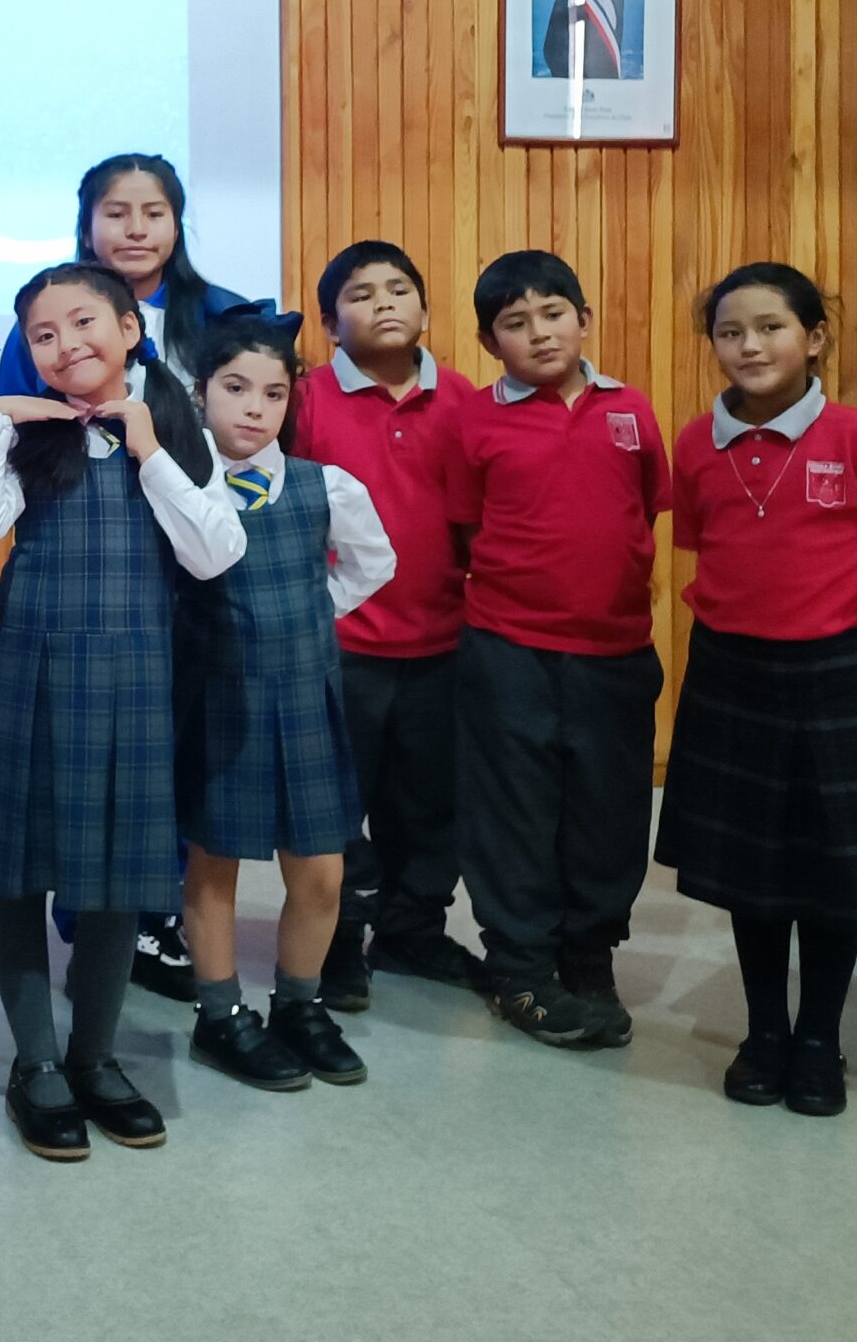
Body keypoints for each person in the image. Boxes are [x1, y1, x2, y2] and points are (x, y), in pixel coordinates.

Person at [0, 263, 245, 1161]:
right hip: (30, 666)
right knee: (20, 866)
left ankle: (95, 1057)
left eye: (84, 323)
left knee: (118, 871)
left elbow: (214, 552)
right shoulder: (27, 430)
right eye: (43, 334)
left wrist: (150, 446)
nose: (66, 344)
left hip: (132, 673)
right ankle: (36, 1062)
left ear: (128, 330)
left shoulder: (172, 429)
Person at [0, 152, 286, 998]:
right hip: (98, 565)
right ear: (87, 223)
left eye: (152, 211)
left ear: (179, 220)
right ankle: (94, 930)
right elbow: (23, 440)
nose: (134, 227)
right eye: (114, 212)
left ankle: (162, 920)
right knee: (86, 766)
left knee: (170, 758)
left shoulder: (221, 313)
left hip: (203, 557)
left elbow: (254, 415)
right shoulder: (43, 321)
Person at [657, 263, 857, 1115]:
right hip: (733, 672)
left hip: (835, 675)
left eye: (772, 327)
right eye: (730, 331)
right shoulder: (697, 444)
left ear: (813, 338)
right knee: (753, 868)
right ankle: (764, 1032)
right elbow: (701, 542)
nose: (750, 345)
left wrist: (840, 610)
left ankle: (820, 1037)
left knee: (831, 871)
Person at [442, 250, 669, 1048]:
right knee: (514, 814)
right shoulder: (476, 419)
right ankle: (520, 968)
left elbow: (644, 508)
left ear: (584, 319)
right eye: (514, 323)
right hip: (509, 650)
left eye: (552, 314)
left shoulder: (630, 410)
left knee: (608, 810)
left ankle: (588, 956)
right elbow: (467, 528)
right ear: (488, 340)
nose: (538, 333)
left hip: (615, 651)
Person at [178, 318, 395, 1093]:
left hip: (304, 693)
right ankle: (220, 1015)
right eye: (235, 389)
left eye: (273, 393)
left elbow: (375, 565)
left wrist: (310, 615)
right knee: (214, 865)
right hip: (220, 697)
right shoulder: (183, 486)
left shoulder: (323, 485)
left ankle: (299, 1006)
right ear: (201, 393)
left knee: (323, 870)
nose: (254, 409)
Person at [291, 240, 485, 1011]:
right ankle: (337, 941)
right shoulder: (303, 401)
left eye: (399, 288)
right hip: (340, 645)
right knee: (338, 805)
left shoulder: (467, 398)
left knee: (430, 803)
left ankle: (412, 931)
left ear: (427, 310)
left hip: (443, 639)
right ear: (331, 325)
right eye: (362, 294)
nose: (384, 303)